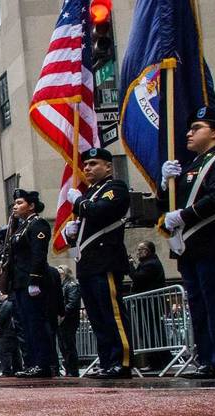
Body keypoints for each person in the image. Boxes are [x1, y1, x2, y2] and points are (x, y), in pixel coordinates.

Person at [159, 106, 215, 379]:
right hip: (192, 249)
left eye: (197, 128)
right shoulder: (192, 165)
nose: (189, 133)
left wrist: (182, 216)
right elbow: (170, 205)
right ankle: (207, 359)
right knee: (198, 306)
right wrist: (164, 185)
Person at [64, 147, 132, 378]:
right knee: (97, 319)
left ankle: (121, 362)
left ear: (108, 167)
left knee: (112, 315)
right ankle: (106, 361)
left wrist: (78, 201)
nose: (87, 168)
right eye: (85, 165)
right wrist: (72, 233)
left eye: (93, 164)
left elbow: (100, 212)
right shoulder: (91, 193)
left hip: (106, 261)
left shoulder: (115, 188)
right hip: (88, 264)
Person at [3, 190, 56, 378]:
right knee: (25, 326)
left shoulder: (38, 224)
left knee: (36, 324)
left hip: (31, 282)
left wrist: (34, 280)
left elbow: (38, 254)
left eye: (20, 203)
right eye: (15, 203)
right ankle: (32, 363)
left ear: (31, 206)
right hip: (19, 283)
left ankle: (43, 364)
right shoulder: (20, 227)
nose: (15, 207)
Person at [56, 266, 82, 377]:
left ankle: (73, 370)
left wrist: (62, 314)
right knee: (63, 346)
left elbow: (72, 303)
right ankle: (69, 369)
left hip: (69, 319)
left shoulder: (72, 285)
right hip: (62, 319)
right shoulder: (61, 286)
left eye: (60, 273)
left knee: (69, 345)